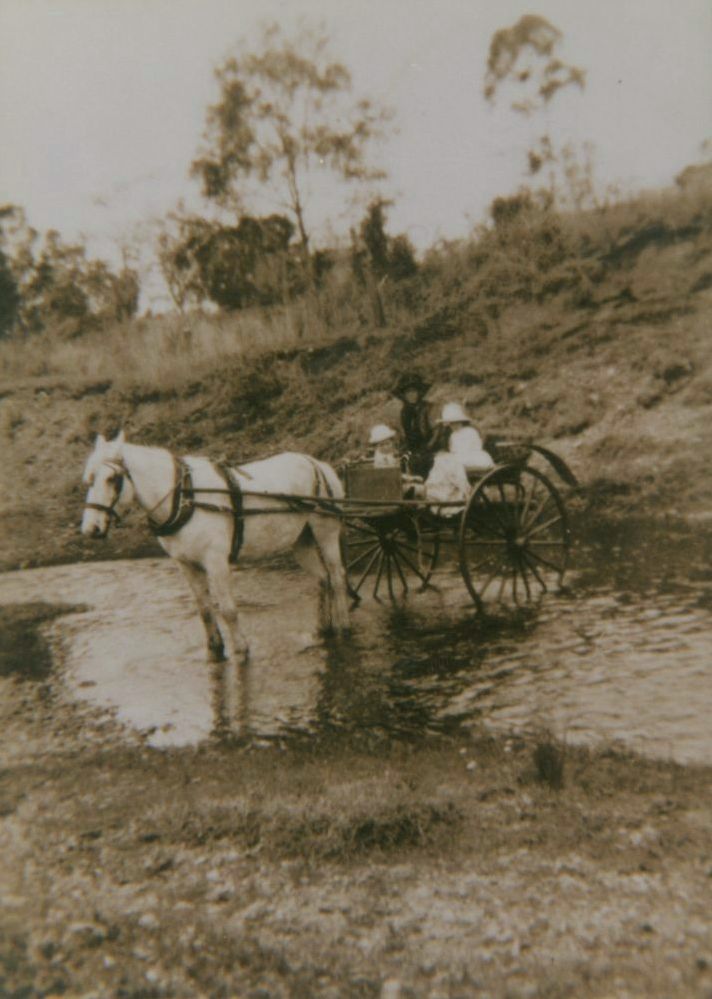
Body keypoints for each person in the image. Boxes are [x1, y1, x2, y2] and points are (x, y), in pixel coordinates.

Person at [392, 372, 439, 477]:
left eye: (414, 391)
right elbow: (405, 434)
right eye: (408, 392)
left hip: (430, 448)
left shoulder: (428, 408)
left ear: (419, 392)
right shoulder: (404, 412)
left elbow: (436, 432)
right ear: (404, 395)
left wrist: (426, 449)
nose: (411, 395)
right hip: (414, 450)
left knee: (421, 463)